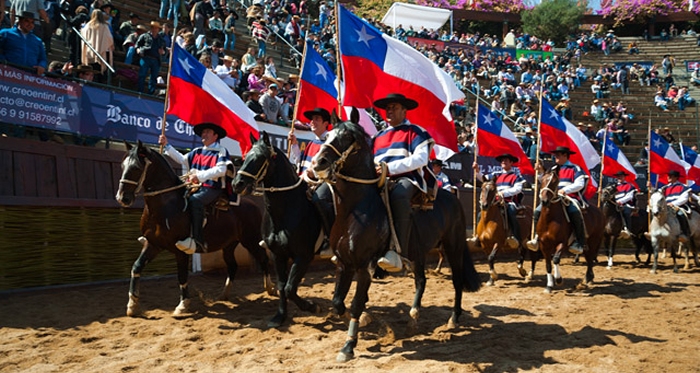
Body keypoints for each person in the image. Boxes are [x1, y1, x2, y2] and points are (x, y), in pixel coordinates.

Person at [371, 93, 435, 272]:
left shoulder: (416, 132)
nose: (390, 111)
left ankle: (400, 253)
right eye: (388, 108)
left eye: (394, 107)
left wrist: (389, 169)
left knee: (399, 195)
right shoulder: (377, 136)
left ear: (404, 111)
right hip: (379, 179)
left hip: (408, 179)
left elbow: (421, 159)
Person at [158, 123, 230, 254]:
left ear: (215, 136)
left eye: (208, 132)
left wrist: (199, 176)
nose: (204, 134)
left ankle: (198, 241)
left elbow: (222, 169)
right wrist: (167, 145)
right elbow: (181, 159)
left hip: (212, 187)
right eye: (203, 132)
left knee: (195, 201)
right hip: (194, 186)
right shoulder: (196, 151)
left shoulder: (221, 151)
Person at [287, 107, 334, 257]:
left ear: (326, 123)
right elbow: (300, 162)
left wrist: (312, 174)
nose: (312, 122)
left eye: (317, 119)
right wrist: (294, 145)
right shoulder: (311, 143)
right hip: (305, 181)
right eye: (312, 119)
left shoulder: (331, 141)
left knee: (319, 199)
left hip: (323, 182)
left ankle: (329, 237)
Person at [526, 146, 589, 255]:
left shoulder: (575, 168)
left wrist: (564, 190)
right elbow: (544, 180)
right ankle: (536, 237)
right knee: (537, 211)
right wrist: (540, 172)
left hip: (570, 197)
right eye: (555, 155)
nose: (555, 157)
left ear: (565, 155)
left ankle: (579, 242)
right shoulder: (552, 169)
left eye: (558, 155)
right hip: (553, 197)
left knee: (575, 212)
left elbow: (580, 184)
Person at [470, 153, 526, 248]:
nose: (503, 162)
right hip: (494, 201)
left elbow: (518, 189)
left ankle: (514, 236)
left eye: (506, 160)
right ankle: (477, 236)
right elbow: (483, 178)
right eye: (502, 161)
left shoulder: (516, 176)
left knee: (511, 212)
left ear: (511, 163)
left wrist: (503, 193)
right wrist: (477, 170)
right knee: (481, 214)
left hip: (509, 201)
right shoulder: (496, 174)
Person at [661, 170, 692, 243]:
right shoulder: (664, 188)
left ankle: (684, 233)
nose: (668, 177)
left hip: (679, 206)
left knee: (680, 214)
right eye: (668, 176)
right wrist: (650, 188)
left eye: (670, 176)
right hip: (666, 207)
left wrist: (673, 203)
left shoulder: (683, 187)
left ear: (676, 177)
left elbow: (684, 199)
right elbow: (658, 194)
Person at [135, 20, 166, 94]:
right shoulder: (144, 36)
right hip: (146, 57)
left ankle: (150, 93)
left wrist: (163, 52)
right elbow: (137, 45)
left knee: (153, 77)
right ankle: (140, 91)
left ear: (158, 29)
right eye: (153, 27)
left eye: (156, 28)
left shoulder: (161, 39)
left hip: (156, 59)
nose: (154, 29)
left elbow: (164, 50)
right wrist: (138, 50)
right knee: (142, 75)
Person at [613, 171, 636, 239]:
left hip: (626, 204)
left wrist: (620, 201)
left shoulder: (629, 185)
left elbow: (630, 196)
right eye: (618, 176)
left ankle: (627, 229)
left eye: (621, 176)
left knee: (625, 212)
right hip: (614, 204)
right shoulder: (614, 186)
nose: (619, 177)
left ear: (624, 177)